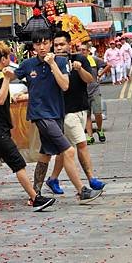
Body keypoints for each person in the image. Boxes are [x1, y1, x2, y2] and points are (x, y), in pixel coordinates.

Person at [14, 29, 102, 205]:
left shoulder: (61, 62)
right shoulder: (28, 64)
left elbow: (65, 85)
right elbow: (11, 77)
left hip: (57, 114)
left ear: (50, 44)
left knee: (45, 154)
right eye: (38, 44)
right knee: (69, 150)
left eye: (45, 43)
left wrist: (53, 64)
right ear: (33, 46)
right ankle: (81, 191)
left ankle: (35, 194)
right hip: (40, 115)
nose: (42, 47)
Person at [0, 41, 55, 213]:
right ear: (3, 58)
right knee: (17, 162)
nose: (10, 59)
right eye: (8, 56)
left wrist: (8, 86)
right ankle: (35, 198)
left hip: (1, 127)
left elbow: (4, 95)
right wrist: (6, 79)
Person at [45, 32, 106, 195]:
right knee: (81, 144)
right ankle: (91, 178)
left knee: (66, 149)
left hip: (81, 108)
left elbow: (89, 80)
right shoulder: (51, 63)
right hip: (64, 112)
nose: (58, 48)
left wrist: (79, 69)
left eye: (62, 44)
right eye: (56, 45)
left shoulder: (80, 58)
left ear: (69, 45)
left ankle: (53, 179)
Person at [83, 43, 109, 145]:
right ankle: (90, 136)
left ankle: (99, 129)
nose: (82, 52)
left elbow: (107, 65)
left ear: (88, 51)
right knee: (87, 115)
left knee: (97, 112)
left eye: (84, 50)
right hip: (83, 92)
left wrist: (100, 74)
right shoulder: (77, 61)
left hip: (94, 90)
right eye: (80, 50)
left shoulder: (94, 60)